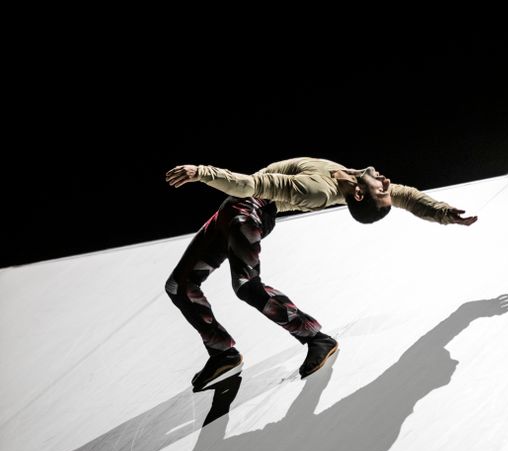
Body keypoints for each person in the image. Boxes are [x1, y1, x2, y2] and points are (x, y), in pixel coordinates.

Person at [164, 157, 478, 390]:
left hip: (248, 214)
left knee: (247, 285)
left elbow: (249, 186)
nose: (386, 183)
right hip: (230, 211)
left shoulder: (317, 190)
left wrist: (201, 173)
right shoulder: (354, 177)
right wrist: (442, 212)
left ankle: (316, 338)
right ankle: (222, 353)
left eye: (382, 189)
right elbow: (406, 196)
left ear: (359, 194)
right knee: (179, 286)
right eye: (385, 188)